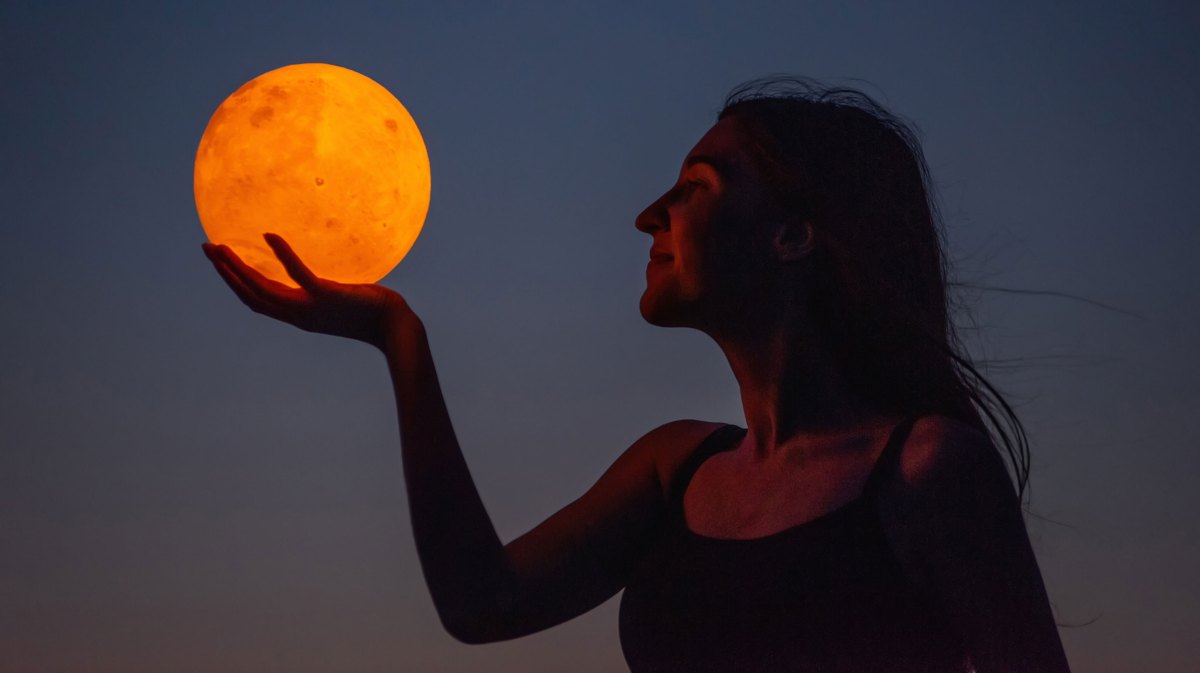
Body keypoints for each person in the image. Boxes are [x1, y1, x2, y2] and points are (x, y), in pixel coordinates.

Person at [203, 79, 1072, 672]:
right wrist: (399, 340)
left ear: (793, 236)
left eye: (695, 186)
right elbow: (481, 601)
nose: (647, 214)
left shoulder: (926, 471)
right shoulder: (673, 470)